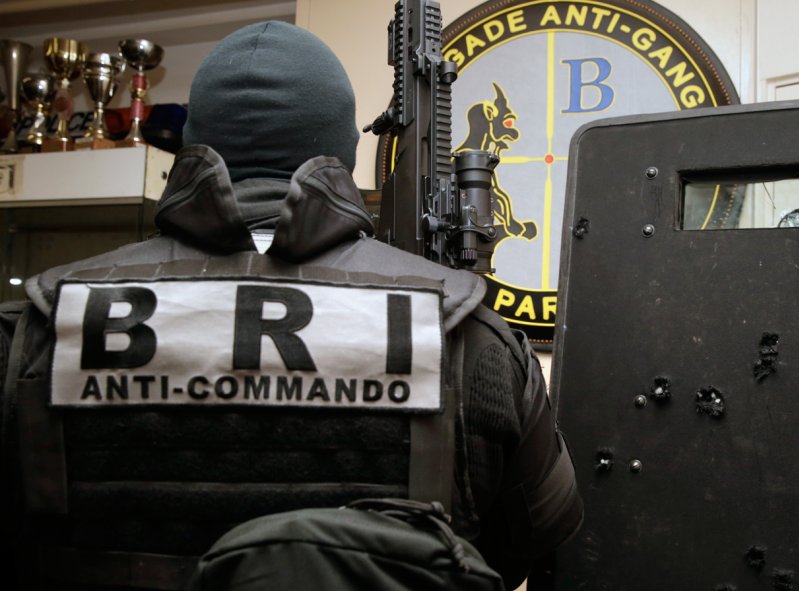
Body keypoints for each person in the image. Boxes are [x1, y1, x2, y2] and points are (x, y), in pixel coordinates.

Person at [0, 21, 581, 590]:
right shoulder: (469, 331)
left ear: (189, 144)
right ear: (347, 149)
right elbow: (529, 544)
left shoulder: (37, 324)